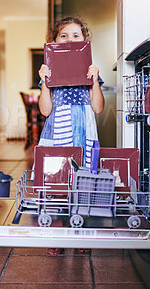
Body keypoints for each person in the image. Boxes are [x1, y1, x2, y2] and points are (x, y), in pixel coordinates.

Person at [37, 16, 105, 255]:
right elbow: (45, 110)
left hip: (84, 130)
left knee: (83, 180)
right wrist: (45, 82)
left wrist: (95, 80)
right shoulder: (50, 72)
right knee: (57, 181)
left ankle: (80, 232)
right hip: (57, 132)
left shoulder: (90, 71)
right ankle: (56, 233)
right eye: (63, 35)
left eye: (76, 35)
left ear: (84, 41)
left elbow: (98, 108)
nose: (70, 40)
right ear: (54, 41)